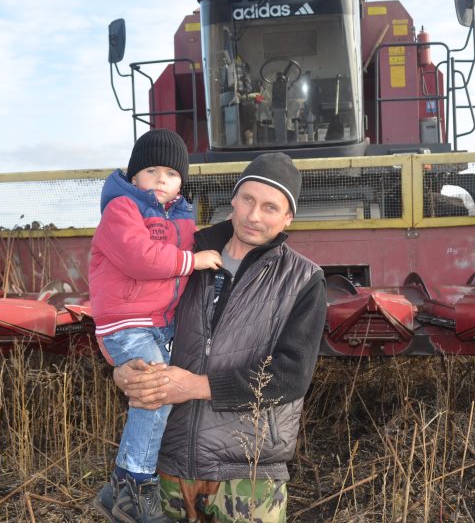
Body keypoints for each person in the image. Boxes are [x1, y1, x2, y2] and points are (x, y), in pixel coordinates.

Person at [115, 152, 327, 522]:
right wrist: (121, 370)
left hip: (249, 475)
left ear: (288, 217)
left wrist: (196, 386)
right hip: (168, 462)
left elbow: (292, 376)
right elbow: (134, 322)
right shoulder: (181, 257)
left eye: (270, 207)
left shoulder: (304, 280)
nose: (254, 215)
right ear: (233, 198)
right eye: (247, 199)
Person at [90, 128, 222, 523]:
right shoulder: (121, 210)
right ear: (133, 178)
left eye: (171, 173)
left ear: (182, 181)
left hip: (157, 325)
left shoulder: (182, 218)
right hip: (127, 323)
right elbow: (140, 258)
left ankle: (115, 491)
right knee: (156, 394)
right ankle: (134, 488)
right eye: (151, 171)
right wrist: (192, 262)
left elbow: (194, 257)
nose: (162, 179)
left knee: (160, 395)